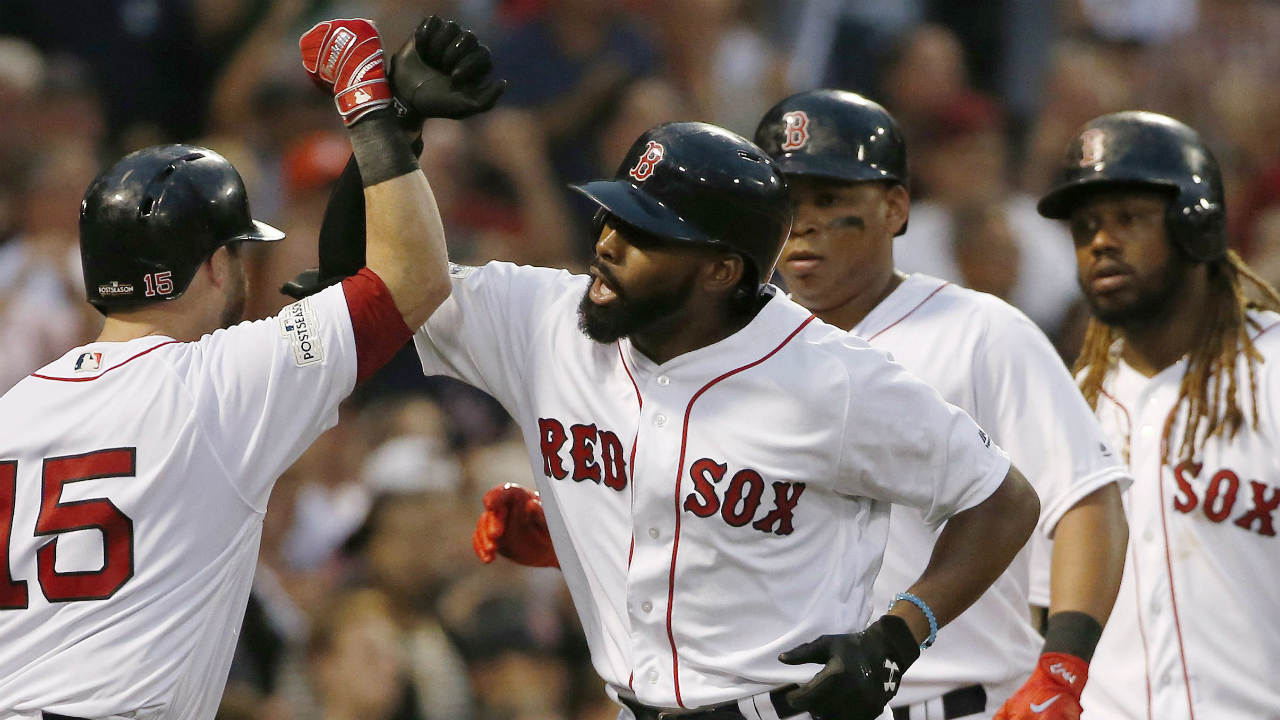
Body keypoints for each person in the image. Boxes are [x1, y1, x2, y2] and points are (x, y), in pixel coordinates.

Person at [302, 61, 1042, 717]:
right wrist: (388, 120)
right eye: (611, 213)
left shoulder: (833, 379)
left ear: (721, 271)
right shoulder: (542, 321)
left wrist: (898, 634)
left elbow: (1002, 498)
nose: (606, 242)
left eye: (644, 230)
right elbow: (359, 286)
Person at [0, 15, 503, 719]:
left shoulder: (13, 409)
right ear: (212, 266)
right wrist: (372, 109)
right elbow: (415, 278)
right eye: (240, 252)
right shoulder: (219, 380)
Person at [749, 90, 1132, 720]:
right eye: (786, 202)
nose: (804, 223)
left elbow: (1088, 499)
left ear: (896, 207)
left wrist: (1063, 669)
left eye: (829, 198)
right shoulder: (738, 347)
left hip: (954, 701)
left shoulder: (979, 331)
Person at [1037, 110, 1280, 719]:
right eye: (1086, 226)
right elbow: (1047, 608)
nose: (1101, 241)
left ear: (1197, 226)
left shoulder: (1271, 370)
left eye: (1128, 218)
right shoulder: (1073, 401)